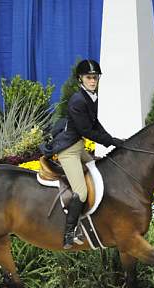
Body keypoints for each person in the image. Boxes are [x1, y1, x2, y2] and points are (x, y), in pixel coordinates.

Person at [41, 59, 124, 249]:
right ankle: (69, 233)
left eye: (95, 77)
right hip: (69, 151)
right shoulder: (78, 100)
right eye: (89, 77)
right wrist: (111, 142)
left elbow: (95, 123)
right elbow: (87, 130)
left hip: (78, 147)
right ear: (80, 79)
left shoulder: (92, 96)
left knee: (100, 171)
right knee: (82, 192)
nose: (93, 81)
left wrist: (113, 139)